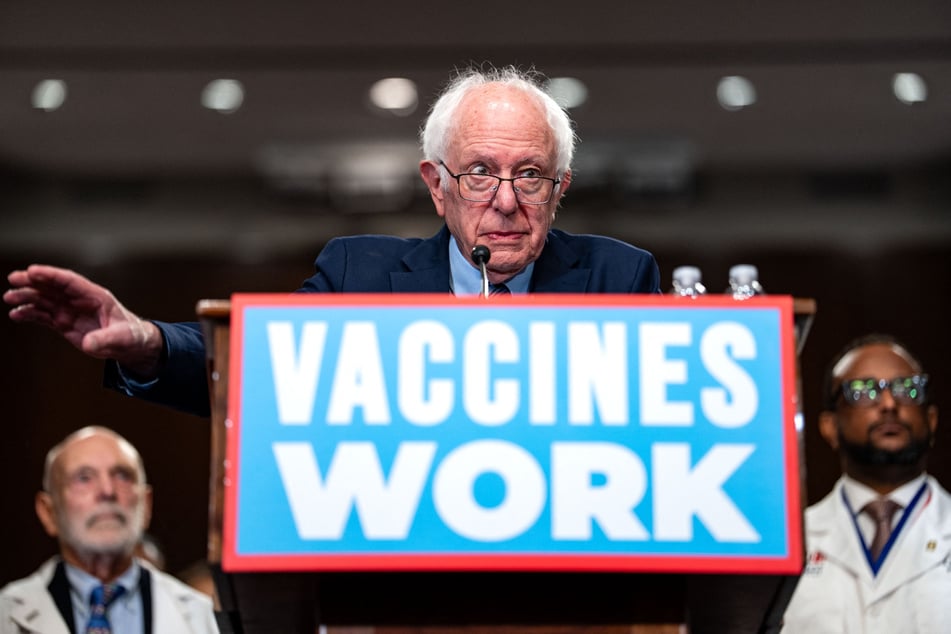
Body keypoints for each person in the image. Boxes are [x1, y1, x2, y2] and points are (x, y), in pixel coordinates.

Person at [3, 65, 660, 418]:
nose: (507, 201)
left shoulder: (619, 278)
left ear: (560, 186)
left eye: (530, 176)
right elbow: (263, 369)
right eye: (480, 173)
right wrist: (147, 341)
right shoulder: (358, 275)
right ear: (436, 186)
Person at [782, 334, 951, 633]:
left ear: (933, 420)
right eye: (863, 391)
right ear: (829, 426)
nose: (888, 403)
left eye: (907, 389)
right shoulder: (790, 541)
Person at [0, 426, 219, 634]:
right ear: (49, 512)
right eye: (84, 478)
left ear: (146, 505)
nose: (107, 491)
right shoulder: (6, 614)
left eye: (122, 475)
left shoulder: (204, 619)